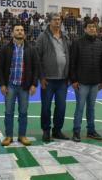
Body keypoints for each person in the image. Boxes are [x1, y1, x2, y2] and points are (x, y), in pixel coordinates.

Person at [0, 24, 39, 146]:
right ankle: (8, 136)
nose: (20, 32)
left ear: (24, 33)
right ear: (12, 33)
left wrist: (34, 84)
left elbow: (36, 67)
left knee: (23, 112)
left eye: (21, 30)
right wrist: (2, 84)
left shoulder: (31, 48)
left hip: (24, 86)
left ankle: (22, 136)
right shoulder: (6, 48)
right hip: (10, 85)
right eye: (17, 30)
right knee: (8, 112)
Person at [70, 20, 102, 142]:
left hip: (95, 82)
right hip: (81, 82)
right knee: (80, 107)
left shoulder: (100, 44)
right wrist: (74, 80)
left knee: (91, 108)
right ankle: (76, 131)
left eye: (94, 27)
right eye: (89, 27)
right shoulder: (77, 43)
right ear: (85, 29)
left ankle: (91, 131)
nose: (92, 29)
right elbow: (72, 62)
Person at [36, 13, 70, 142]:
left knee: (61, 107)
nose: (57, 22)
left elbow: (68, 55)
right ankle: (46, 130)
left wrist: (68, 76)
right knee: (46, 107)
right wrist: (41, 77)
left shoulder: (65, 37)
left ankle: (57, 131)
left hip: (63, 80)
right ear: (49, 22)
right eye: (55, 20)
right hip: (48, 80)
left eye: (59, 20)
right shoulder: (42, 37)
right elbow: (37, 58)